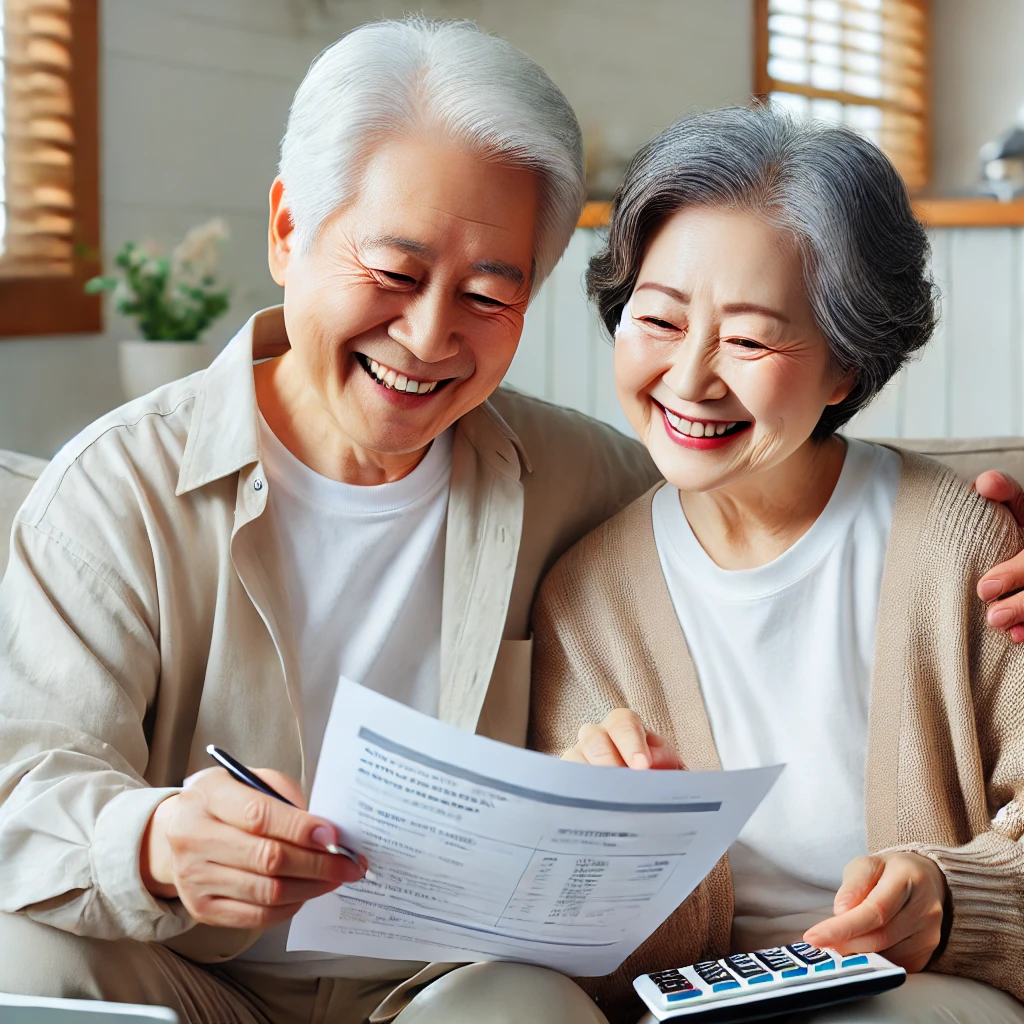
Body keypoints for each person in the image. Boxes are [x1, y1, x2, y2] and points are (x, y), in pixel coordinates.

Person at [0, 18, 658, 1024]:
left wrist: (985, 540)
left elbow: (765, 518)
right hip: (194, 978)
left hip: (449, 984)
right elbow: (25, 786)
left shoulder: (583, 477)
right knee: (21, 958)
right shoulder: (116, 488)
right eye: (393, 273)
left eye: (488, 294)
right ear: (285, 230)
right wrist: (155, 840)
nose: (429, 335)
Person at [529, 106, 1024, 1024]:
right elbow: (584, 948)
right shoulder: (586, 594)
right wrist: (594, 839)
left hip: (914, 996)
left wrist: (947, 901)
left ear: (847, 363)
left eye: (750, 340)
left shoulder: (964, 547)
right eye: (659, 320)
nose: (689, 379)